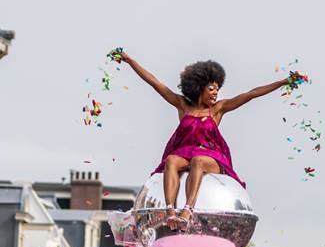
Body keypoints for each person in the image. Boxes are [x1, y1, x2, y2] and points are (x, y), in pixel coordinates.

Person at [119, 51, 301, 230]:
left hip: (210, 158)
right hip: (184, 154)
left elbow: (252, 93)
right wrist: (129, 61)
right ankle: (170, 211)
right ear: (199, 87)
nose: (216, 93)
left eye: (218, 89)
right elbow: (154, 83)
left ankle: (187, 210)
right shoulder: (183, 105)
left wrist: (284, 82)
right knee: (171, 160)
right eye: (211, 88)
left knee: (198, 161)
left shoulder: (217, 109)